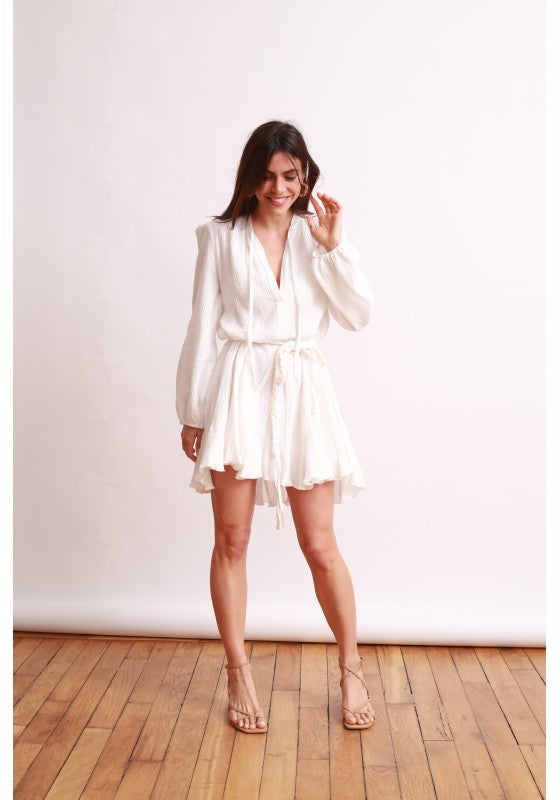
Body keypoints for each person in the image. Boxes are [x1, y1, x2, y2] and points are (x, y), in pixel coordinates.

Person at [175, 120, 376, 733]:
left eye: (291, 175)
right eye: (267, 176)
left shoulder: (319, 238)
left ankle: (351, 667)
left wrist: (335, 248)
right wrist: (192, 410)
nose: (280, 187)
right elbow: (202, 325)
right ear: (249, 178)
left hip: (304, 393)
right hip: (238, 389)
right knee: (232, 540)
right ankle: (238, 670)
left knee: (320, 544)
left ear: (306, 176)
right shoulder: (220, 237)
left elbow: (358, 315)